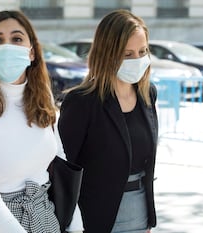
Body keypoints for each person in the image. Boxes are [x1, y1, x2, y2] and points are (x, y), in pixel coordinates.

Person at [0, 10, 83, 233]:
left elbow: (59, 159)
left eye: (17, 39)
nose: (7, 46)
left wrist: (75, 224)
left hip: (41, 214)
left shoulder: (42, 99)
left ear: (31, 52)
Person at [58, 9, 158, 233]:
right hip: (94, 218)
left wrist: (148, 219)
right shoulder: (81, 102)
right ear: (107, 54)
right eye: (128, 54)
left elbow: (146, 164)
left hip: (140, 214)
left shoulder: (147, 94)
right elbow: (63, 171)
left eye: (143, 51)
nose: (138, 60)